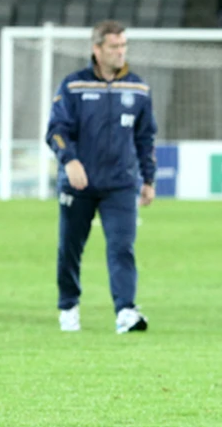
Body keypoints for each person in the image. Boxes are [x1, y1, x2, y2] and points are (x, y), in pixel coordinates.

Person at [45, 21, 156, 334]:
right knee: (70, 247)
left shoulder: (138, 89)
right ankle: (68, 305)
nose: (120, 53)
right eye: (113, 47)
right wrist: (70, 161)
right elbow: (56, 131)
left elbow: (145, 137)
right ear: (97, 49)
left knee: (122, 247)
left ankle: (125, 310)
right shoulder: (73, 86)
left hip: (120, 184)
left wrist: (148, 180)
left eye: (123, 46)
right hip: (78, 184)